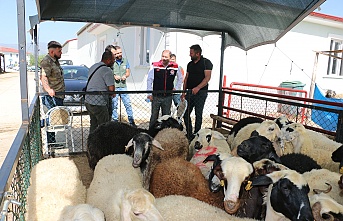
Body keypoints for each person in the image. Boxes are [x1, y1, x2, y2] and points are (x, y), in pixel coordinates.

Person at [181, 44, 213, 141]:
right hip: (190, 92)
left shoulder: (206, 63)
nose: (190, 55)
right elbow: (186, 78)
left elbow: (207, 77)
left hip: (201, 92)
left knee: (198, 114)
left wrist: (198, 87)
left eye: (191, 53)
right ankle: (189, 132)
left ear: (197, 53)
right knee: (185, 113)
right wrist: (183, 92)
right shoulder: (189, 64)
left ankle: (197, 133)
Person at [147, 50, 183, 130]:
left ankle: (165, 133)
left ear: (170, 58)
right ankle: (151, 132)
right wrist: (149, 93)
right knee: (154, 116)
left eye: (166, 57)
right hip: (156, 96)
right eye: (163, 56)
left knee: (166, 116)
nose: (164, 58)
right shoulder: (156, 66)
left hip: (168, 96)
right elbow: (149, 79)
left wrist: (176, 88)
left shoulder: (175, 66)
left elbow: (180, 78)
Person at [40, 40, 64, 147]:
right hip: (51, 96)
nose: (61, 53)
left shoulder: (55, 61)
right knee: (51, 119)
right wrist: (48, 89)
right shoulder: (47, 61)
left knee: (55, 119)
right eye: (59, 51)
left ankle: (52, 141)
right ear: (52, 52)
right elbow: (43, 77)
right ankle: (51, 143)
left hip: (58, 95)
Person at [85, 50, 115, 133]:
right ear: (108, 60)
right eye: (113, 60)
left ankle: (91, 143)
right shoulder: (107, 70)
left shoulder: (93, 66)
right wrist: (113, 93)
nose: (114, 62)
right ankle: (103, 143)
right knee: (104, 126)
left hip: (88, 100)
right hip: (99, 102)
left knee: (93, 124)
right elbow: (111, 89)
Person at [107, 45, 136, 127]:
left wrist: (125, 76)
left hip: (123, 86)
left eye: (120, 52)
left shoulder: (125, 61)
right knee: (114, 105)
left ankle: (131, 121)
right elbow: (109, 72)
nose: (119, 54)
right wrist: (114, 76)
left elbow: (128, 72)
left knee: (128, 104)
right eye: (117, 53)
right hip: (115, 87)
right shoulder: (112, 62)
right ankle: (115, 122)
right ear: (114, 54)